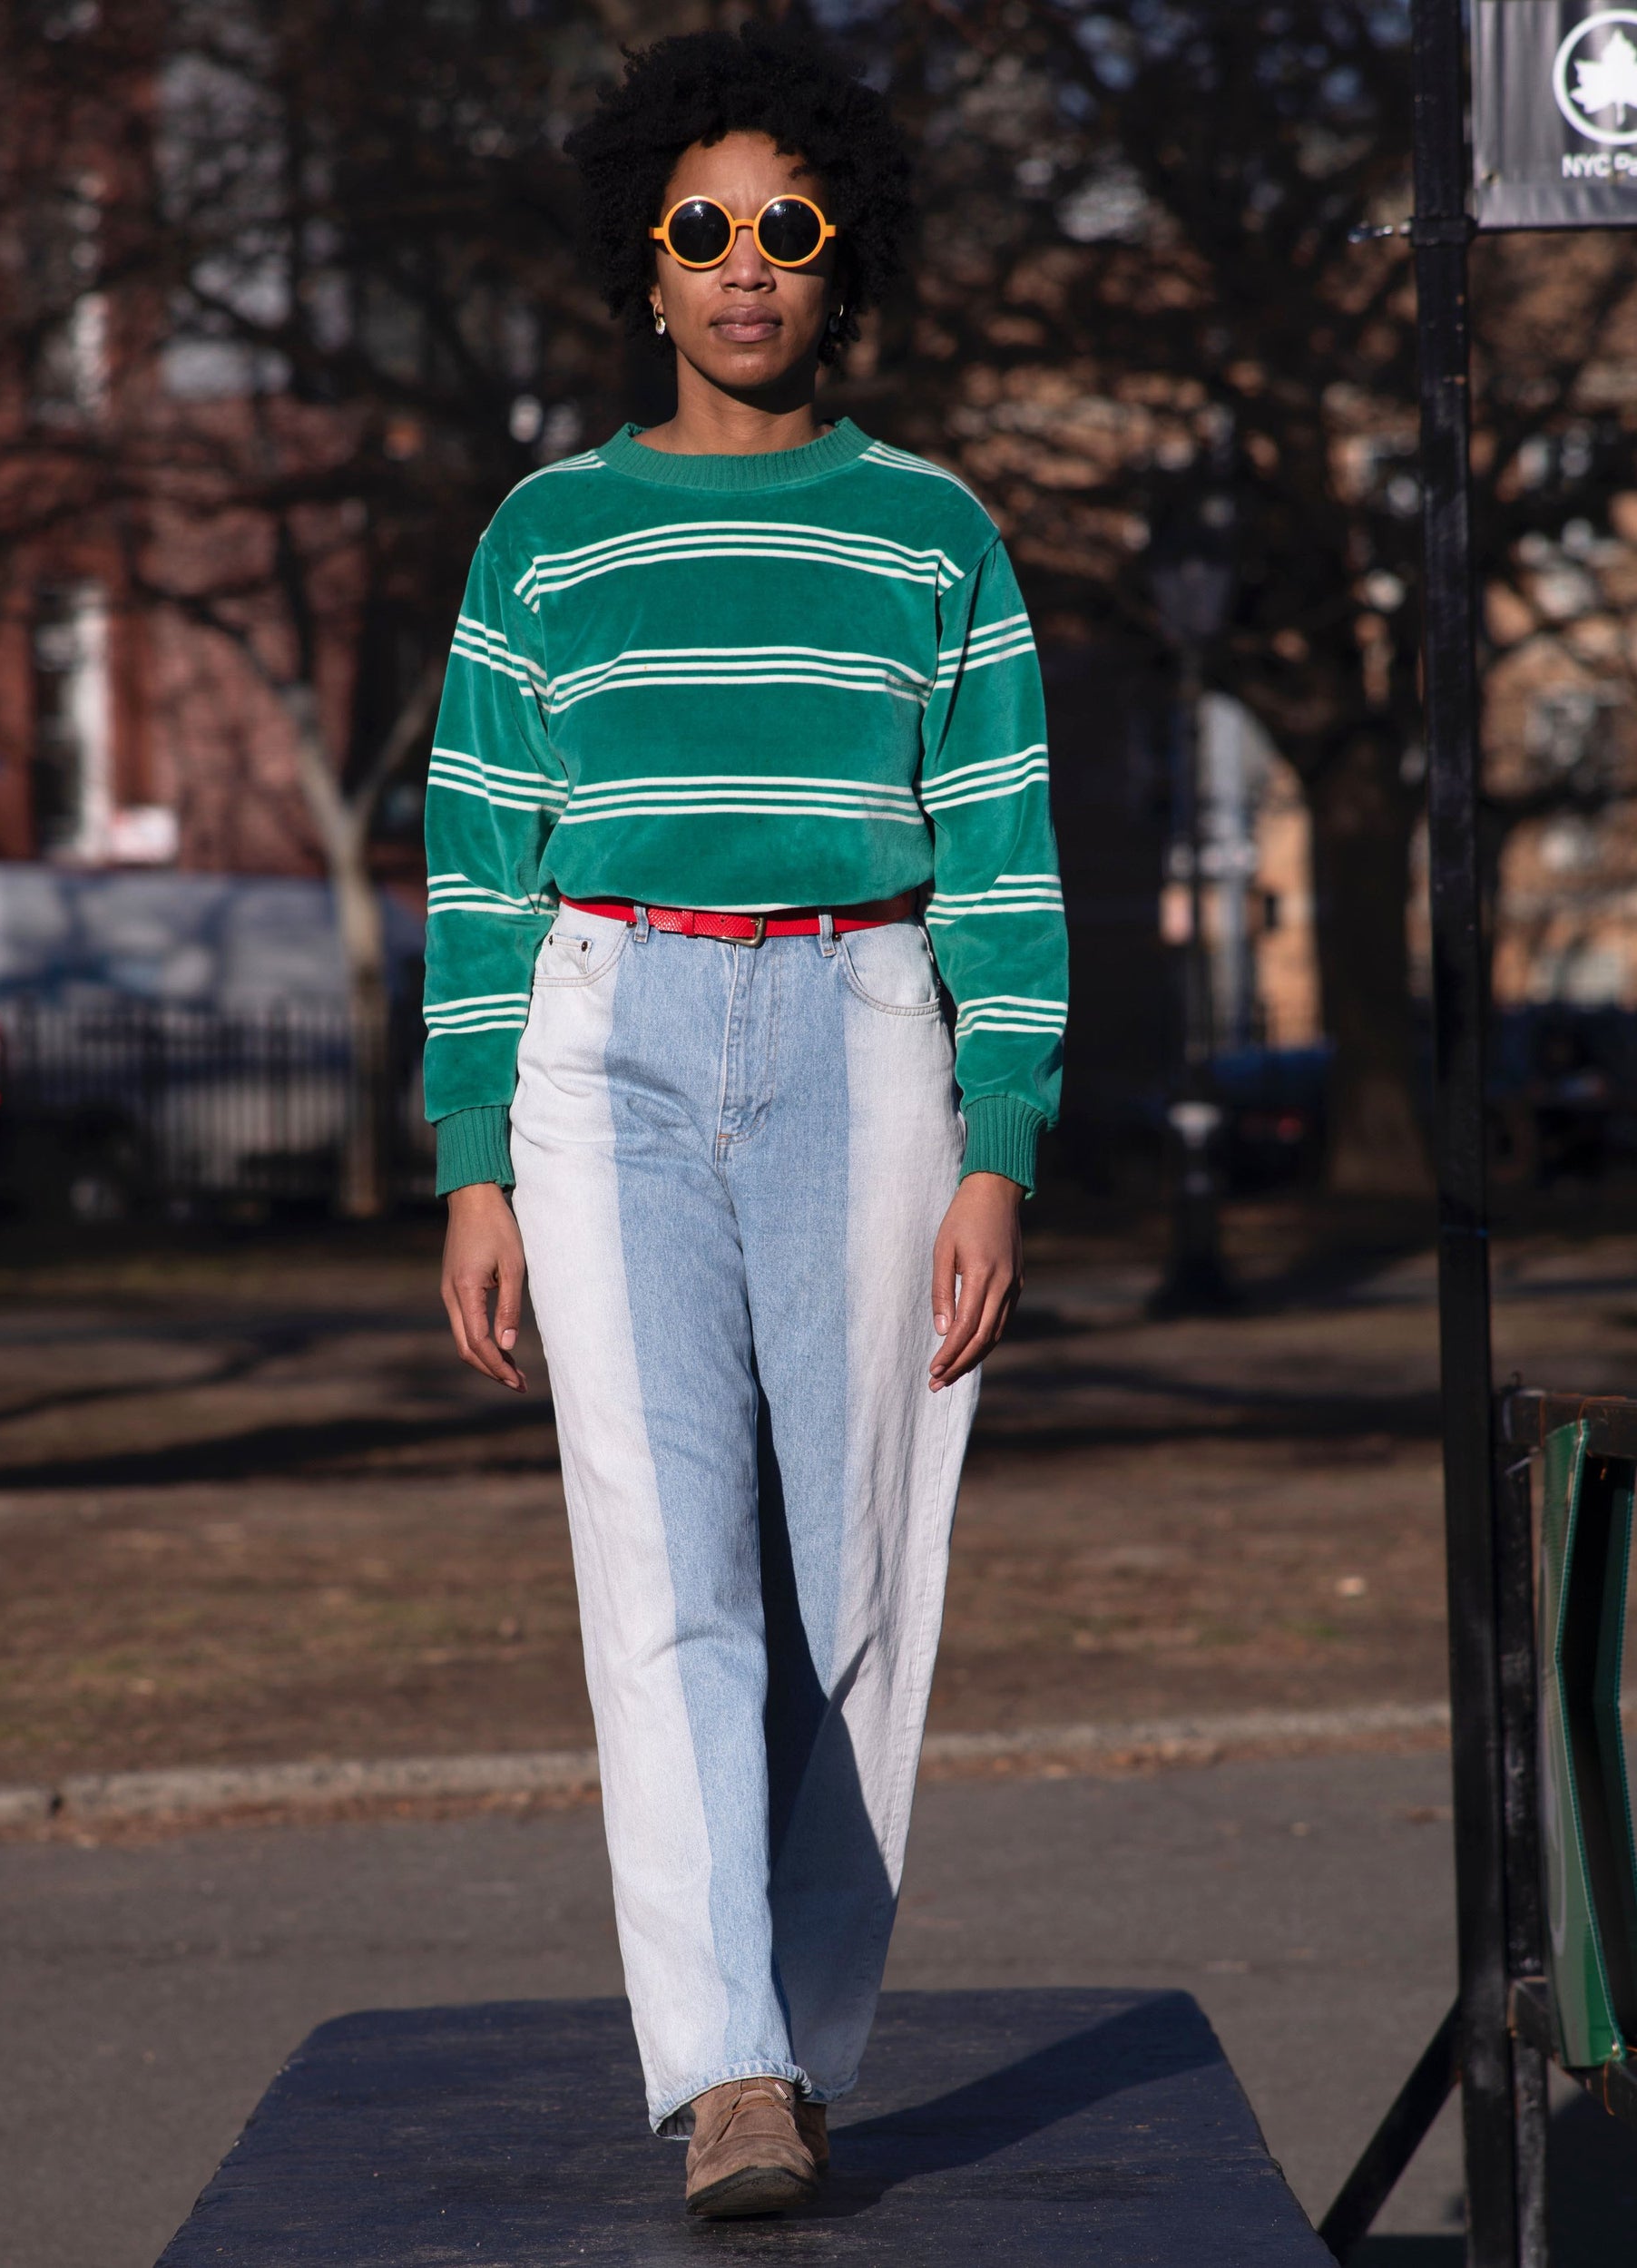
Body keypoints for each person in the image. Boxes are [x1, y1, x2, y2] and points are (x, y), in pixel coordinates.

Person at [423, 22, 1065, 2220]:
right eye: (701, 228)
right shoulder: (546, 535)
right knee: (662, 1562)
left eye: (786, 227)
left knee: (858, 1569)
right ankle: (725, 2074)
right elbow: (474, 861)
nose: (742, 266)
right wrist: (469, 1158)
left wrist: (1001, 1136)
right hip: (604, 1035)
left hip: (866, 1022)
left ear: (840, 259)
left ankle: (806, 2033)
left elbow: (1004, 859)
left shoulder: (931, 532)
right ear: (646, 258)